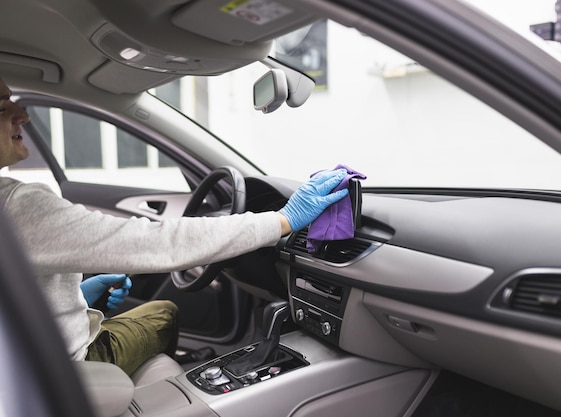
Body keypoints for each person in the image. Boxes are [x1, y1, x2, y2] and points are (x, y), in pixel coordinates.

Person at [0, 76, 348, 376]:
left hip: (28, 353)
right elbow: (155, 243)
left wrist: (72, 300)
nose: (23, 115)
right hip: (60, 364)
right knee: (164, 314)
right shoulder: (14, 206)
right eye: (3, 107)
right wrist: (283, 220)